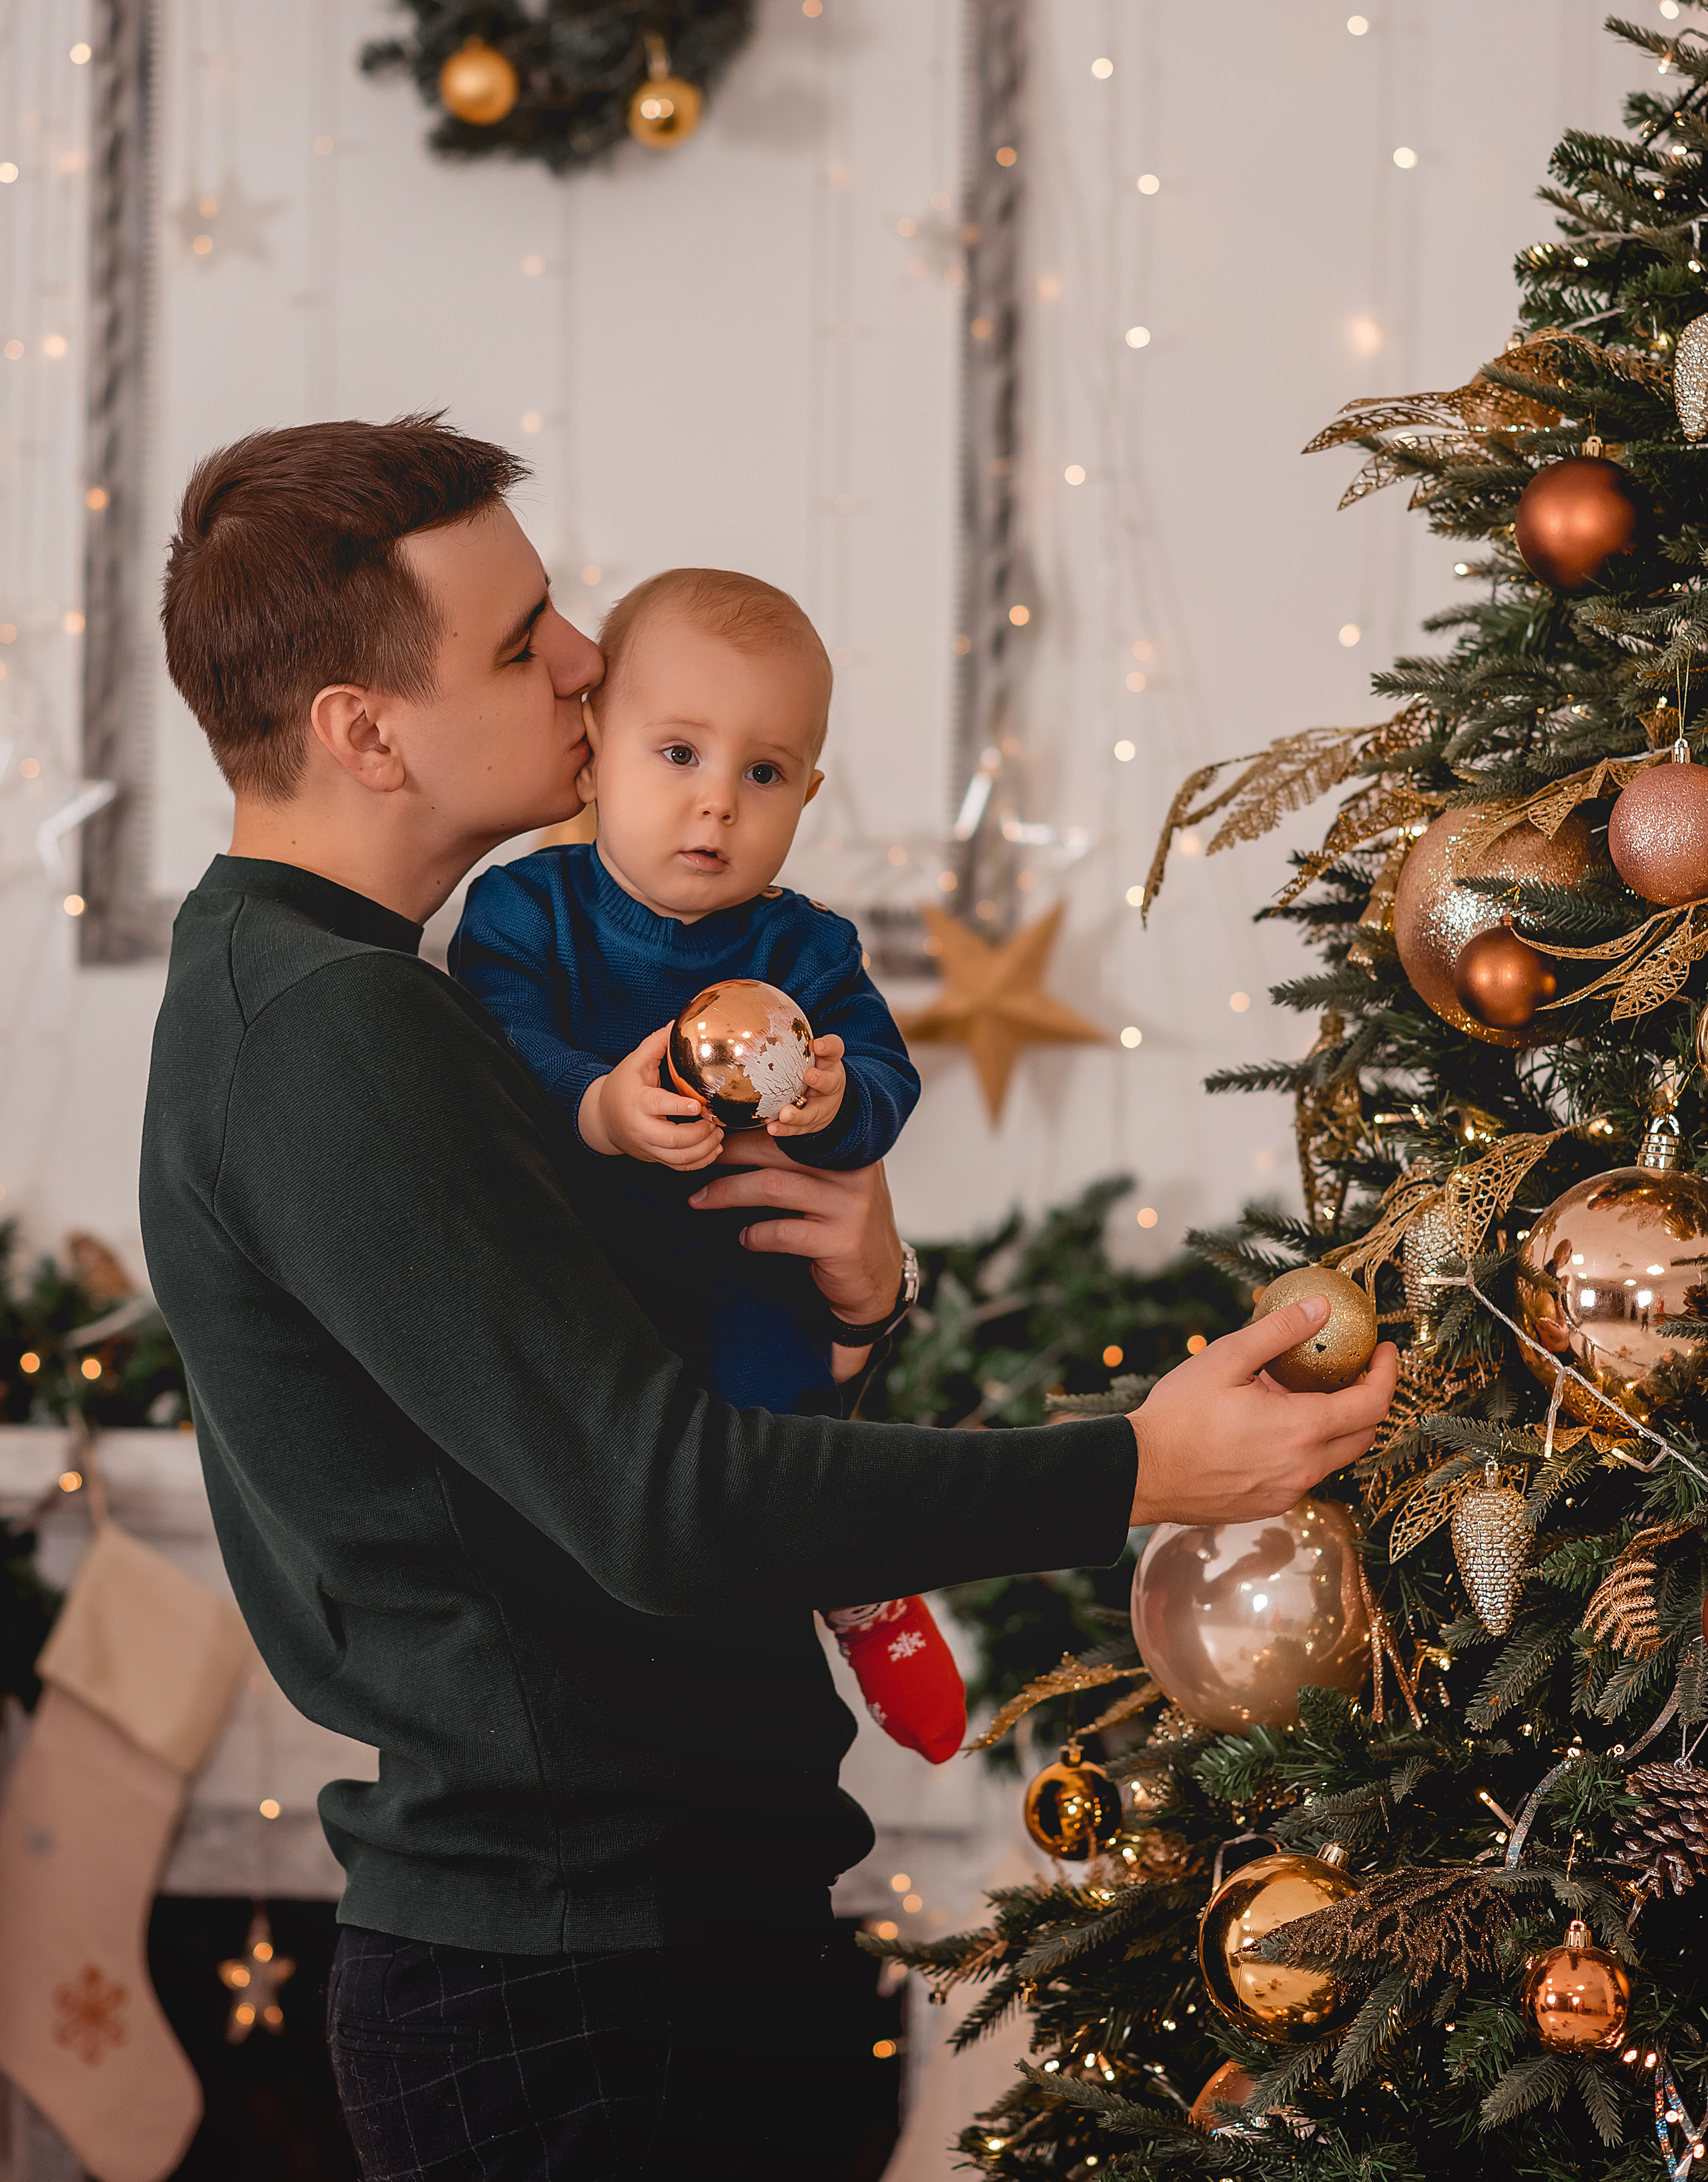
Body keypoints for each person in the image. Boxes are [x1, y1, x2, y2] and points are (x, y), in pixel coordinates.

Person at [139, 415, 1398, 2181]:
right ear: (364, 730)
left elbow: (621, 1431)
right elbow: (663, 1504)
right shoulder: (334, 1034)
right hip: (577, 1992)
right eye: (522, 641)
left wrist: (862, 1315)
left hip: (641, 1947)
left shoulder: (359, 998)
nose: (583, 658)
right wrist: (1135, 1471)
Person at [450, 565, 964, 1767]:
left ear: (807, 794)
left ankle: (863, 1580)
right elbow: (496, 1047)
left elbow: (888, 1083)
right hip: (586, 1285)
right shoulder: (524, 911)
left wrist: (835, 1104)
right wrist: (601, 1108)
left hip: (742, 1272)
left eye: (764, 773)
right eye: (679, 753)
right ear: (596, 743)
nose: (717, 805)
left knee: (780, 1415)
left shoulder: (809, 944)